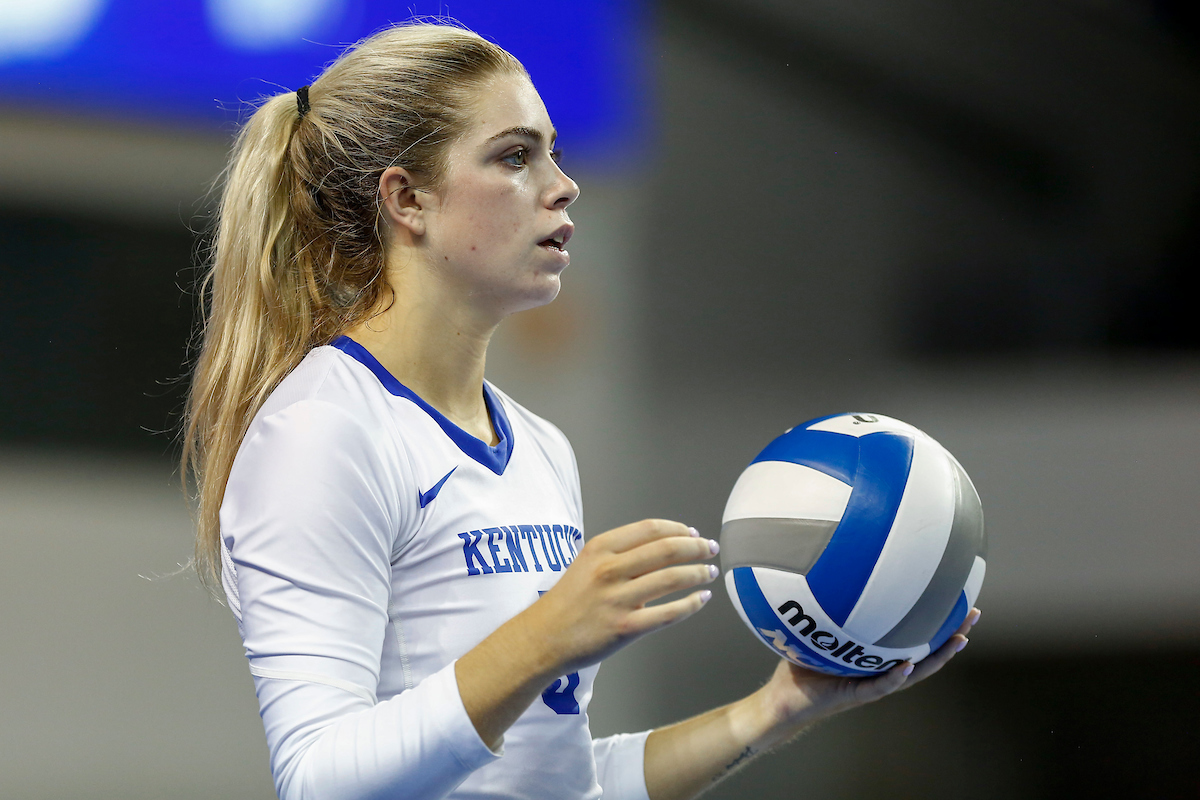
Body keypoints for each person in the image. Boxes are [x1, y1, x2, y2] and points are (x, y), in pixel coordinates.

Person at [181, 22, 978, 800]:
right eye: (515, 156)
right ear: (407, 198)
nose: (562, 184)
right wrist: (545, 635)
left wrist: (775, 710)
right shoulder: (324, 431)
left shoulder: (539, 447)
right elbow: (319, 779)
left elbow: (558, 781)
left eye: (553, 151)